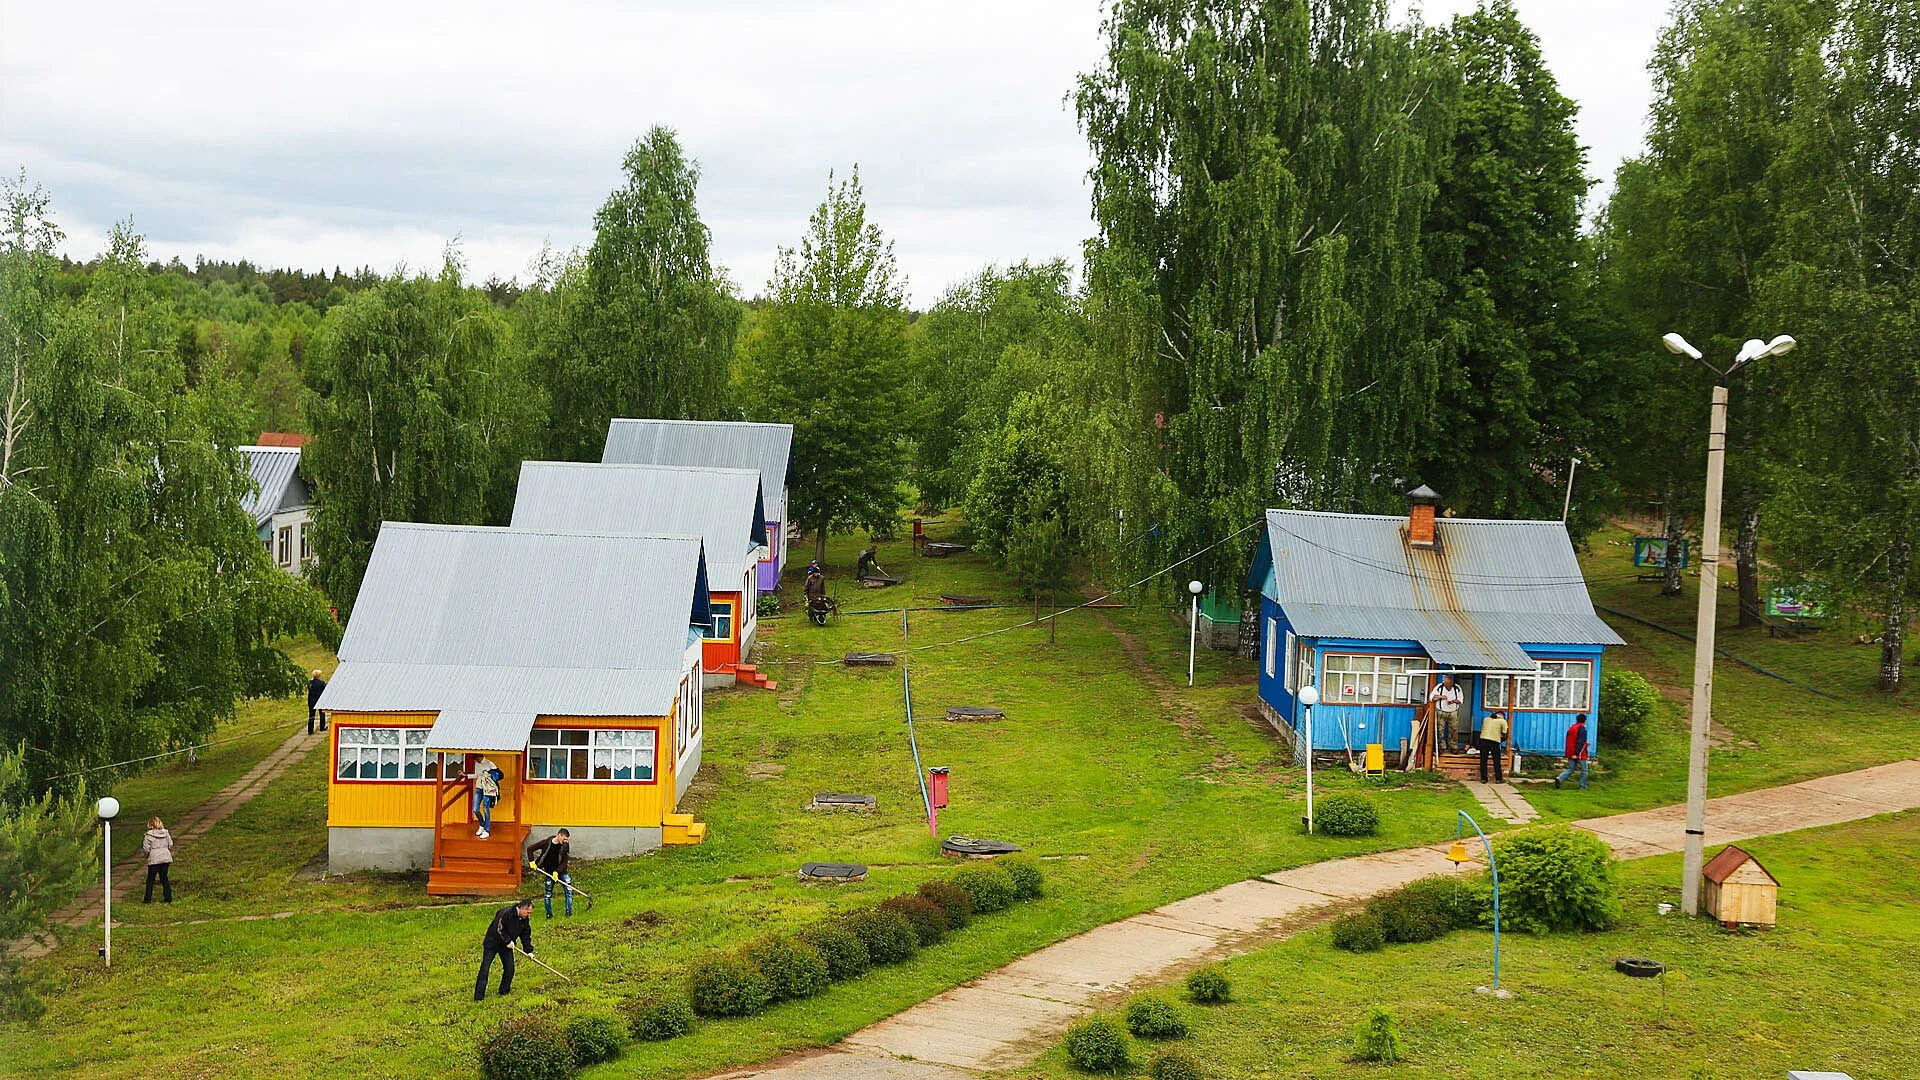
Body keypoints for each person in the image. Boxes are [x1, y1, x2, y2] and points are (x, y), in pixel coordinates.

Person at [474, 897, 535, 1001]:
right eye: (528, 913)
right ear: (522, 909)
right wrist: (507, 940)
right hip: (492, 944)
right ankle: (478, 997)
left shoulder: (524, 920)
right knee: (485, 969)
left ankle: (504, 991)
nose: (529, 915)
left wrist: (528, 950)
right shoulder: (506, 913)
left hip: (506, 947)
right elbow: (498, 929)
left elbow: (525, 934)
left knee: (509, 969)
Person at [527, 829, 573, 918]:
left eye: (567, 840)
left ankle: (568, 913)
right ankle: (549, 915)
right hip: (549, 872)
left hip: (561, 872)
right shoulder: (546, 843)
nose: (565, 841)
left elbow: (564, 862)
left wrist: (557, 872)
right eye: (564, 839)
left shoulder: (565, 846)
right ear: (559, 835)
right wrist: (532, 862)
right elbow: (530, 849)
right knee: (547, 894)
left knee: (569, 890)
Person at [142, 816, 175, 903]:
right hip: (165, 858)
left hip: (154, 859)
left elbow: (146, 848)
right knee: (164, 878)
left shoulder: (148, 835)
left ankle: (147, 899)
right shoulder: (166, 833)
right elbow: (170, 844)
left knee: (150, 880)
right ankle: (168, 897)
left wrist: (147, 855)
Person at [1427, 674, 1464, 751]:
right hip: (1441, 711)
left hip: (1453, 712)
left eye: (1449, 683)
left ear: (1452, 682)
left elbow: (1460, 700)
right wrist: (1441, 697)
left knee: (1454, 730)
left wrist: (1453, 701)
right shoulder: (1439, 687)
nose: (1448, 685)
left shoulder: (1457, 688)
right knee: (1440, 730)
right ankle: (1441, 747)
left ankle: (1453, 746)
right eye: (1446, 683)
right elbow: (1431, 698)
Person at [1556, 713, 1591, 790]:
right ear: (1585, 720)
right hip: (1580, 753)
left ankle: (1559, 778)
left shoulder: (1572, 728)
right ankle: (1582, 786)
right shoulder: (1582, 728)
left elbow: (1571, 740)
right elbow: (1580, 742)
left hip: (1570, 751)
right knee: (1584, 770)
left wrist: (1572, 752)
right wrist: (1577, 753)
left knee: (1571, 769)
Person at [1477, 710, 1509, 783]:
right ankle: (1499, 779)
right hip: (1494, 741)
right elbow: (1505, 734)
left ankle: (1484, 779)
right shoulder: (1503, 721)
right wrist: (1500, 740)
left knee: (1483, 760)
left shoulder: (1486, 719)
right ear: (1502, 715)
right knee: (1496, 761)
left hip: (1483, 739)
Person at [474, 756, 501, 839]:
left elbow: (498, 775)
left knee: (486, 808)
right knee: (475, 809)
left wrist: (489, 774)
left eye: (476, 758)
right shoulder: (476, 764)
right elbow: (476, 775)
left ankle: (487, 830)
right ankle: (482, 824)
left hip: (488, 789)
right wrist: (466, 775)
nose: (475, 761)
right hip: (479, 788)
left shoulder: (490, 764)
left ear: (480, 756)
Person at [307, 669, 328, 735]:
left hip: (311, 700)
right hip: (319, 699)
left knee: (311, 715)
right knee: (322, 714)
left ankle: (310, 730)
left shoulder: (310, 683)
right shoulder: (322, 683)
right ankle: (322, 727)